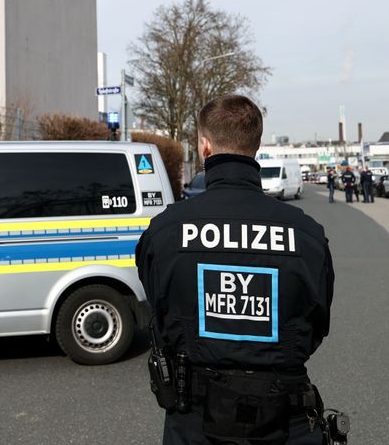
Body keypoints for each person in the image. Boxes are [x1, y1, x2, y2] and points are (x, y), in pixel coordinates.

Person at [136, 95, 336, 445]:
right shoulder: (306, 235)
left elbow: (160, 311)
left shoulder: (165, 232)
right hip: (286, 422)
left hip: (195, 424)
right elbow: (316, 324)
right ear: (256, 146)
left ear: (204, 146)